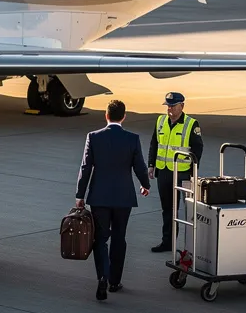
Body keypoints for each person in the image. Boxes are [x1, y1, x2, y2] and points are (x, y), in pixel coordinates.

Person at [75, 99, 151, 301]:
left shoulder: (94, 137)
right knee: (119, 238)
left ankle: (103, 276)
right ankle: (115, 282)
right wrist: (145, 185)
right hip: (123, 198)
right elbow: (140, 167)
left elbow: (85, 168)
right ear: (123, 117)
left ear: (106, 115)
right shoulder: (132, 139)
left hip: (99, 197)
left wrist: (79, 195)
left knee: (100, 239)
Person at [149, 92, 204, 253]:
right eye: (168, 106)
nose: (170, 109)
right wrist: (151, 164)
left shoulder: (191, 124)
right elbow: (154, 143)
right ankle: (168, 242)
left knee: (189, 209)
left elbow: (198, 149)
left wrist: (194, 171)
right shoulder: (160, 121)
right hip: (164, 172)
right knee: (168, 209)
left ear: (182, 106)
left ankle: (191, 246)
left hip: (183, 173)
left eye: (173, 106)